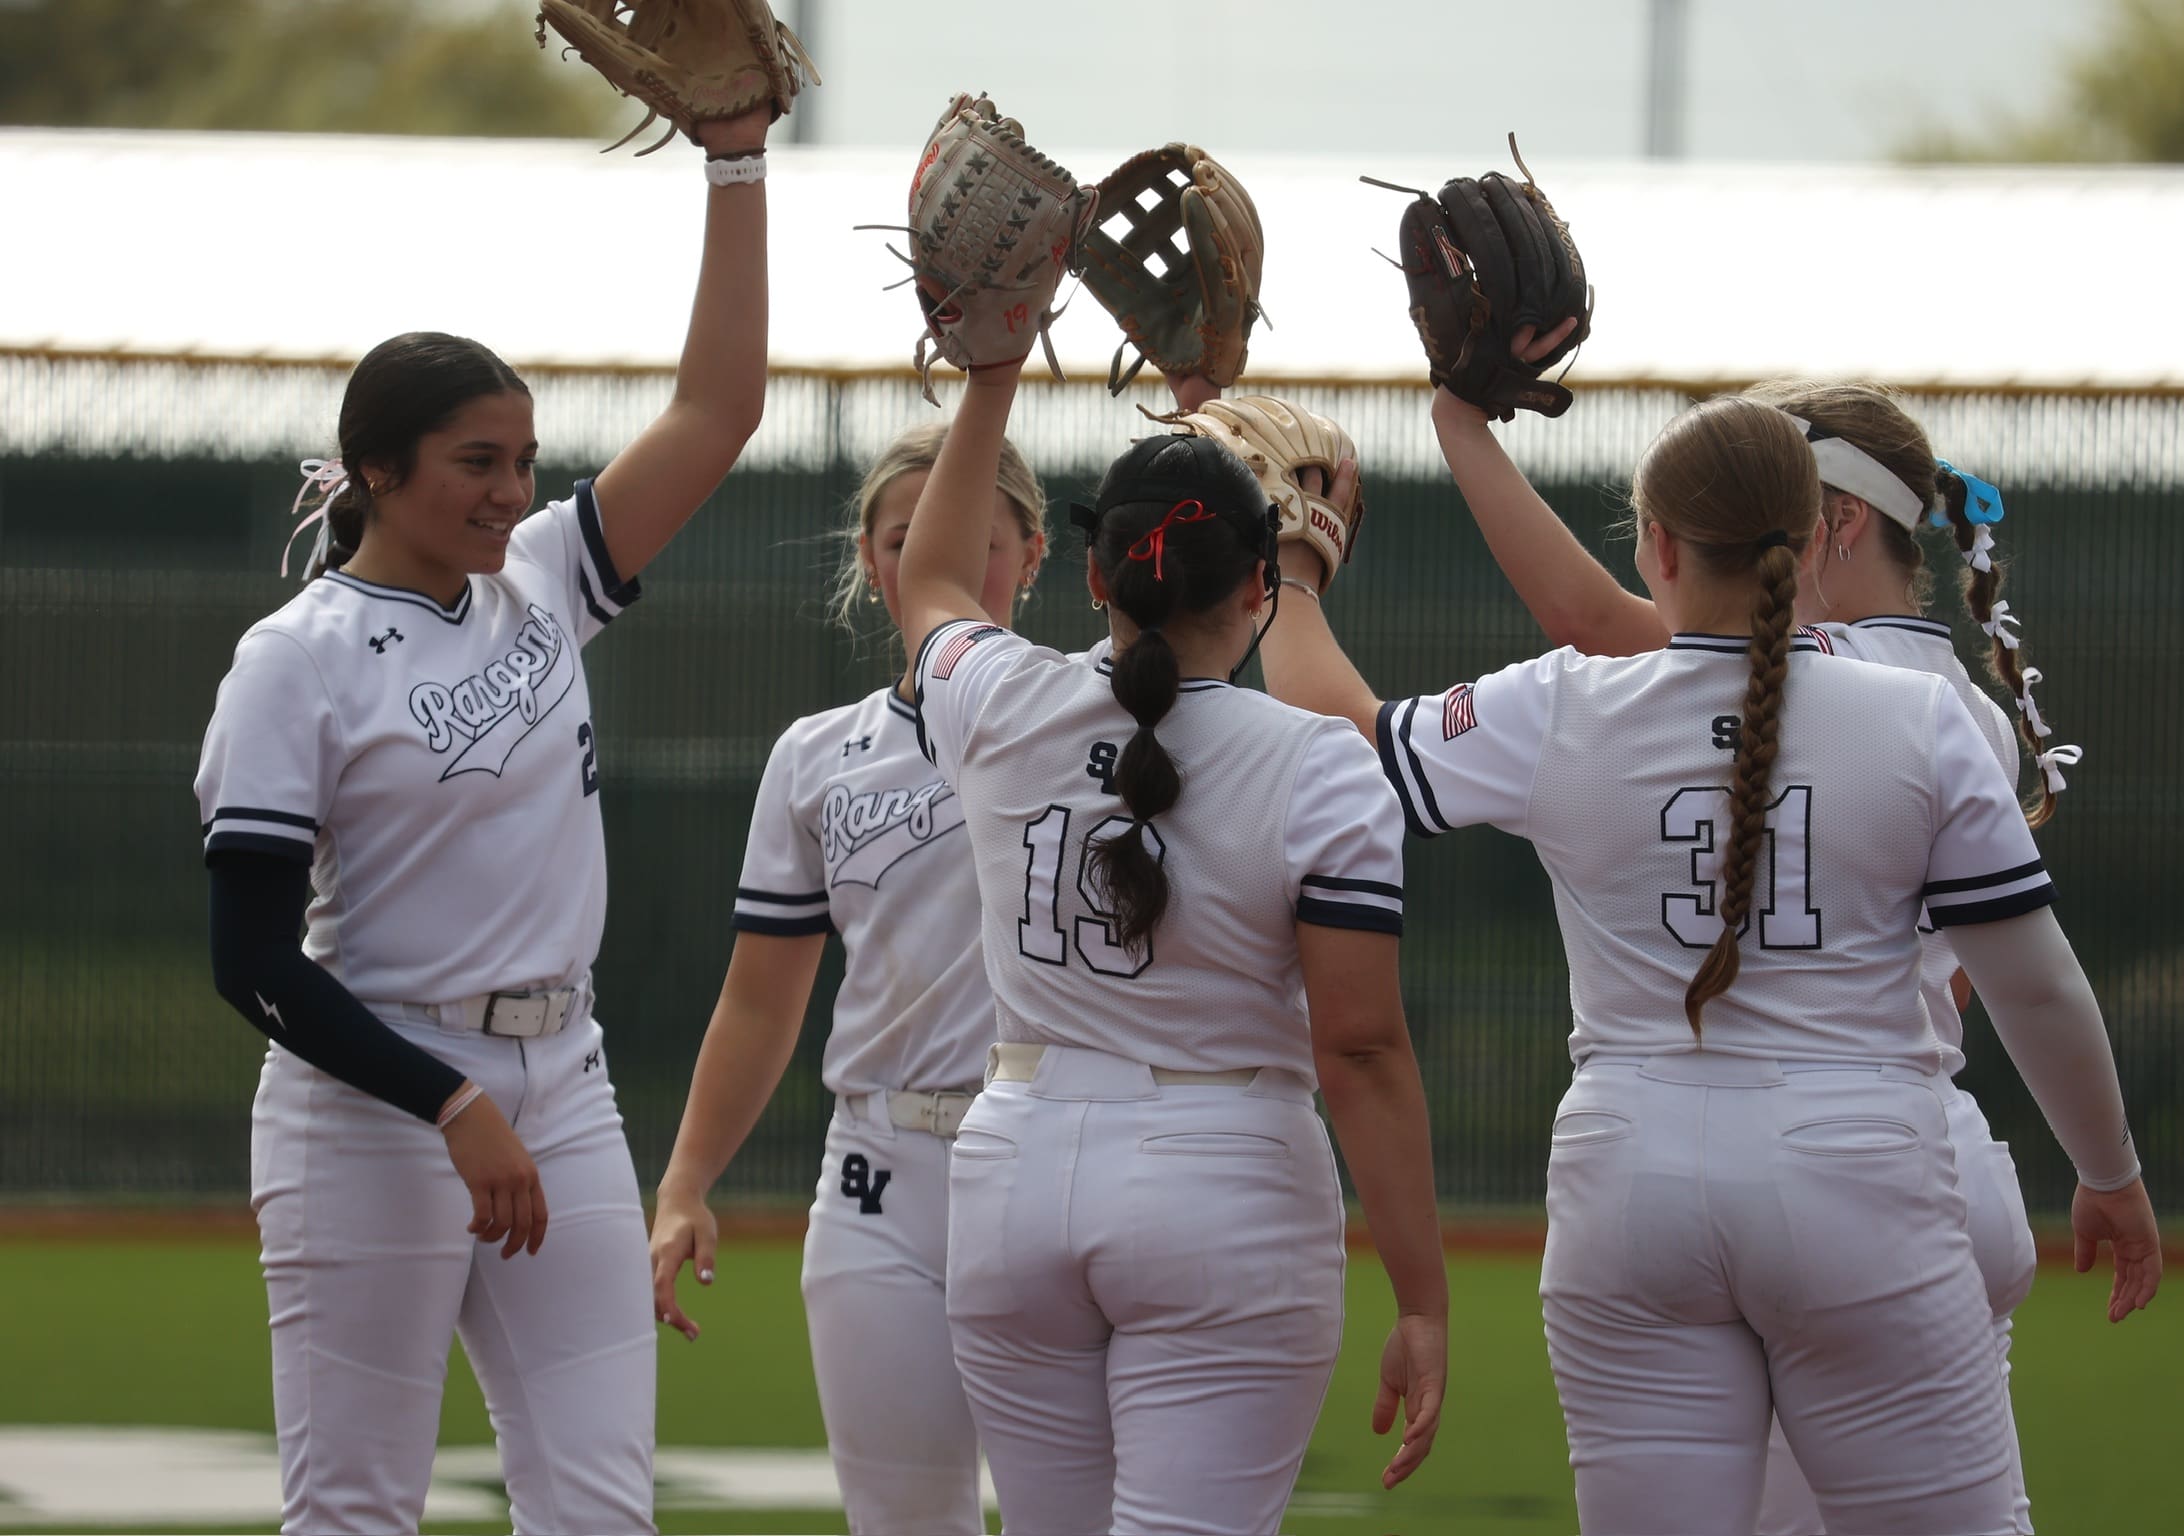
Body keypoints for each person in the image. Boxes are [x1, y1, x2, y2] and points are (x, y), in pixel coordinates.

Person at [1258, 393, 2161, 1535]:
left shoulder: (1560, 702)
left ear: (1658, 546)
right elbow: (2033, 983)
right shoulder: (1922, 718)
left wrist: (1284, 576)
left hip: (1631, 1174)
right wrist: (2110, 1170)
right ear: (1808, 536)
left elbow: (1341, 741)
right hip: (1861, 1162)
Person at [194, 107, 773, 1535]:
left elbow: (720, 412)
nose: (513, 493)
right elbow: (254, 961)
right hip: (374, 1099)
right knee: (355, 1512)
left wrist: (738, 163)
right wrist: (447, 1103)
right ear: (379, 470)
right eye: (475, 463)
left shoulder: (543, 583)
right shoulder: (298, 659)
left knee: (599, 1508)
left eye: (524, 460)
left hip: (563, 1084)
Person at [891, 357, 1450, 1536]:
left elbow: (933, 578)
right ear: (1258, 584)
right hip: (1223, 1176)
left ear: (1094, 572)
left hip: (1013, 1172)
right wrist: (1423, 1297)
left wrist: (991, 374)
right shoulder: (1320, 761)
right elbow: (1358, 1050)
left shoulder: (995, 698)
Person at [646, 421, 1048, 1535]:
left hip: (1054, 1156)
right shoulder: (818, 755)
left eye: (980, 537)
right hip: (880, 1171)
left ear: (1037, 549)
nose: (947, 561)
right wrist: (685, 1182)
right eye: (912, 537)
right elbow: (760, 998)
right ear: (875, 561)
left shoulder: (1090, 717)